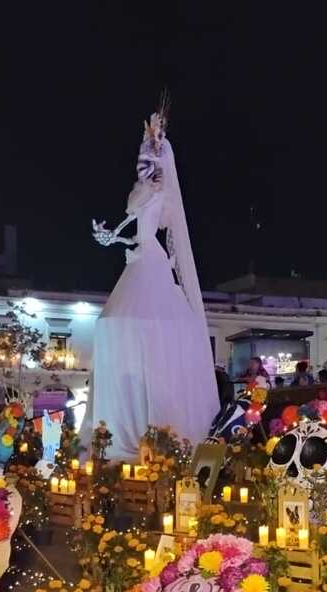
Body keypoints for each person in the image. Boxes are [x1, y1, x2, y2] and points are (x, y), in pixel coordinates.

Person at [86, 106, 218, 456]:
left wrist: (156, 143)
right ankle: (127, 425)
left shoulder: (157, 195)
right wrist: (113, 238)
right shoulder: (143, 193)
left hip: (152, 257)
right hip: (142, 253)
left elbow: (146, 227)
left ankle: (159, 429)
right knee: (119, 320)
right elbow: (134, 230)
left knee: (152, 320)